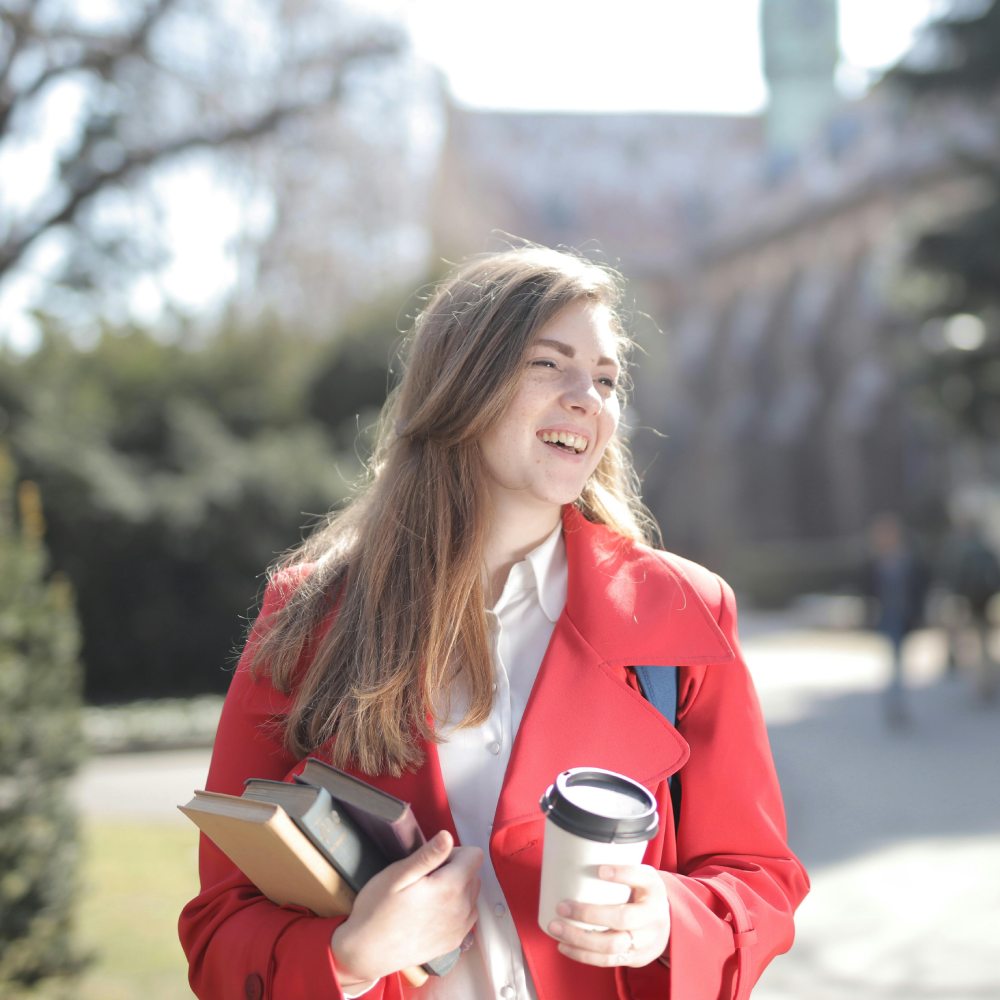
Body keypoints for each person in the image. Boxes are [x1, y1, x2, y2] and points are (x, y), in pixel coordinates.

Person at [178, 245, 809, 999]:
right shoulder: (311, 616)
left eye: (606, 379)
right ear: (462, 384)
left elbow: (759, 878)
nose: (588, 398)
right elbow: (220, 927)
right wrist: (347, 956)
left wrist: (671, 919)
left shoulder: (682, 613)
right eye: (549, 364)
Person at [862, 513, 928, 728]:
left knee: (898, 662)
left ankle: (896, 703)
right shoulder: (876, 562)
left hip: (904, 617)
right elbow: (869, 593)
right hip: (887, 617)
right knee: (895, 662)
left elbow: (919, 589)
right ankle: (895, 704)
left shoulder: (907, 560)